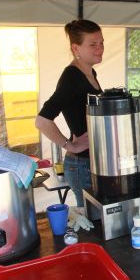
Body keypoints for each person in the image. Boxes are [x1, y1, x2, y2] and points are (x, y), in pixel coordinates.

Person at [35, 19, 104, 210]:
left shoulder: (90, 73)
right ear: (76, 48)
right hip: (81, 164)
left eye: (101, 43)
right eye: (93, 44)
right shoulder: (72, 77)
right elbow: (42, 120)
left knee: (99, 217)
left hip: (93, 161)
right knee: (91, 218)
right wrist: (70, 144)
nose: (100, 48)